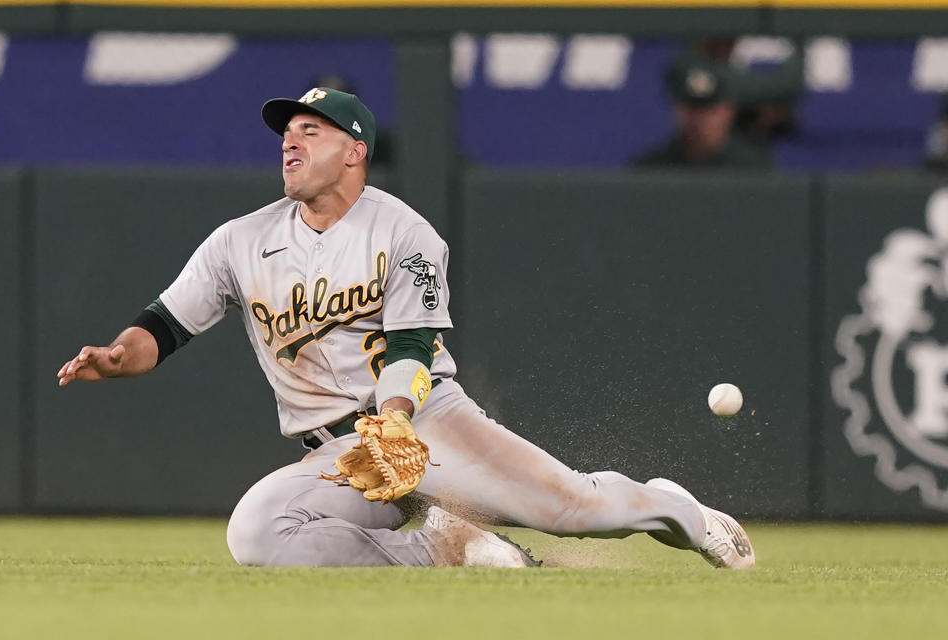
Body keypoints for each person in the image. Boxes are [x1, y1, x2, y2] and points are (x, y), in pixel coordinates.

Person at [56, 87, 755, 569]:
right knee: (259, 533)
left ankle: (678, 510)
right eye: (286, 135)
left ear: (354, 150)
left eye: (310, 131)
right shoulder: (241, 240)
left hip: (427, 422)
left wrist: (393, 418)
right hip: (338, 452)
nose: (290, 145)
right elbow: (166, 325)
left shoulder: (403, 232)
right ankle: (450, 549)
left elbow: (414, 346)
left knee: (574, 509)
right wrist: (118, 356)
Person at [635, 58, 771, 169]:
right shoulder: (652, 169)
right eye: (692, 108)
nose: (699, 119)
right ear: (678, 110)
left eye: (708, 110)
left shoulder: (751, 171)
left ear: (728, 112)